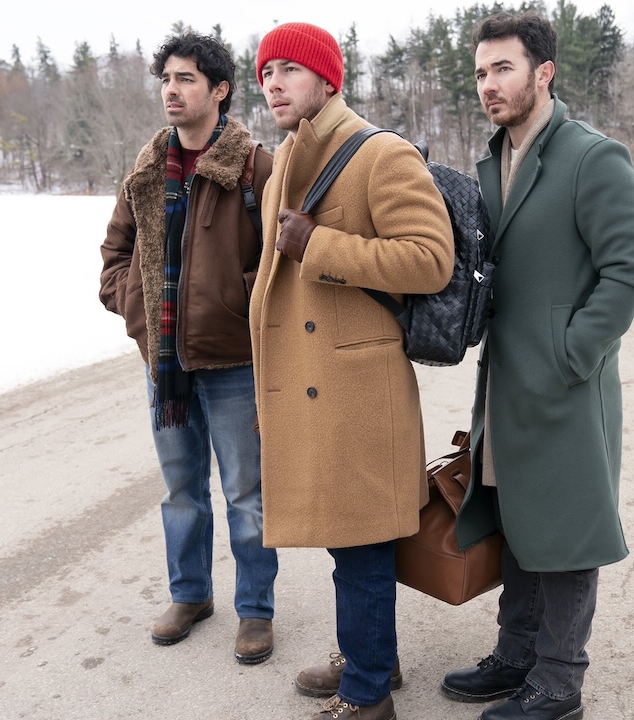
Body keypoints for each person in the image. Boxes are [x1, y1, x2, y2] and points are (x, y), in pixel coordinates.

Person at [444, 10, 634, 720]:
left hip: (565, 386)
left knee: (565, 528)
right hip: (505, 384)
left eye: (502, 68)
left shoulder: (593, 157)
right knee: (516, 516)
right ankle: (516, 655)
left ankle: (560, 681)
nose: (488, 84)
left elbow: (631, 273)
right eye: (480, 72)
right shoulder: (494, 161)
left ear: (544, 72)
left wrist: (572, 353)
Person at [249, 22, 455, 720]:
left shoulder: (379, 153)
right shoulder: (285, 161)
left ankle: (368, 697)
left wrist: (321, 244)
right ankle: (371, 657)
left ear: (327, 78)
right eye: (265, 73)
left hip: (358, 389)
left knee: (362, 542)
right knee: (346, 541)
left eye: (288, 69)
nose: (272, 84)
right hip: (311, 384)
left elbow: (431, 259)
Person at [97, 31, 279, 665]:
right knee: (180, 490)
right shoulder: (147, 171)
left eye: (186, 79)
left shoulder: (255, 167)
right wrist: (137, 307)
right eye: (166, 80)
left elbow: (279, 264)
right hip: (165, 364)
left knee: (246, 494)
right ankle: (191, 594)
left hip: (234, 364)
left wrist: (234, 303)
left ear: (219, 90)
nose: (171, 91)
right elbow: (114, 254)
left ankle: (255, 609)